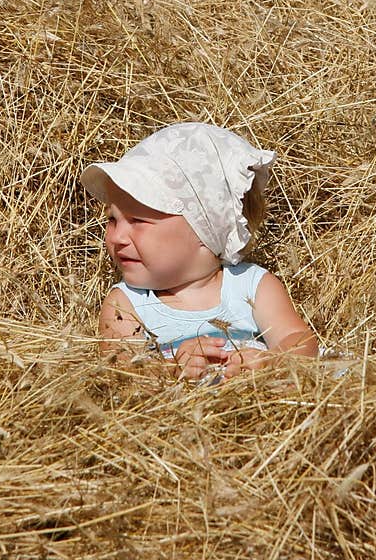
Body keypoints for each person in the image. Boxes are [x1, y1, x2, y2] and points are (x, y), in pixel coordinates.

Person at [81, 122, 318, 382]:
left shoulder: (252, 286)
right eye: (112, 220)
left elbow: (298, 340)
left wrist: (273, 363)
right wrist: (170, 370)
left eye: (137, 221)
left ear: (204, 231)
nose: (116, 237)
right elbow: (121, 375)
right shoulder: (126, 304)